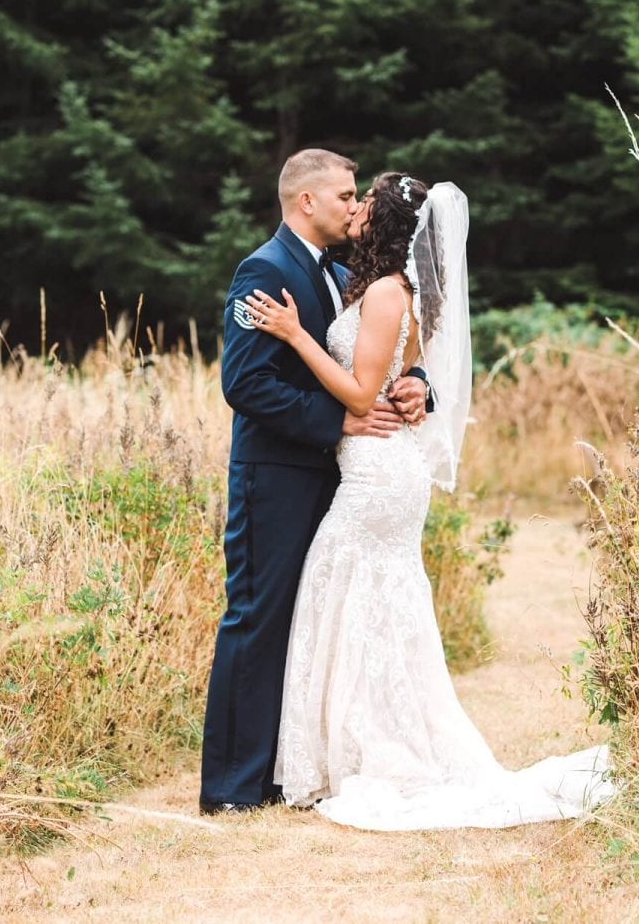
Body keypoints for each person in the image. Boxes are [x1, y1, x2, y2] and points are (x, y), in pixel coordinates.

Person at [243, 172, 615, 830]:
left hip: (379, 471)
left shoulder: (388, 291)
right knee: (367, 598)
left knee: (350, 585)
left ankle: (373, 748)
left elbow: (361, 396)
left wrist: (297, 335)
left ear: (383, 222)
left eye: (365, 202)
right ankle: (359, 743)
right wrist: (412, 381)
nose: (353, 209)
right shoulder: (378, 286)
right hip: (379, 465)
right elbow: (402, 374)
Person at [199, 150, 431, 815]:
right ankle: (232, 790)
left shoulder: (339, 272)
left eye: (359, 198)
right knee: (258, 617)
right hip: (275, 478)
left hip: (340, 481)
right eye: (345, 196)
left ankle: (289, 768)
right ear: (307, 202)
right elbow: (244, 384)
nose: (354, 207)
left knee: (310, 623)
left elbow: (389, 355)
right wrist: (340, 423)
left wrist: (419, 387)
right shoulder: (263, 271)